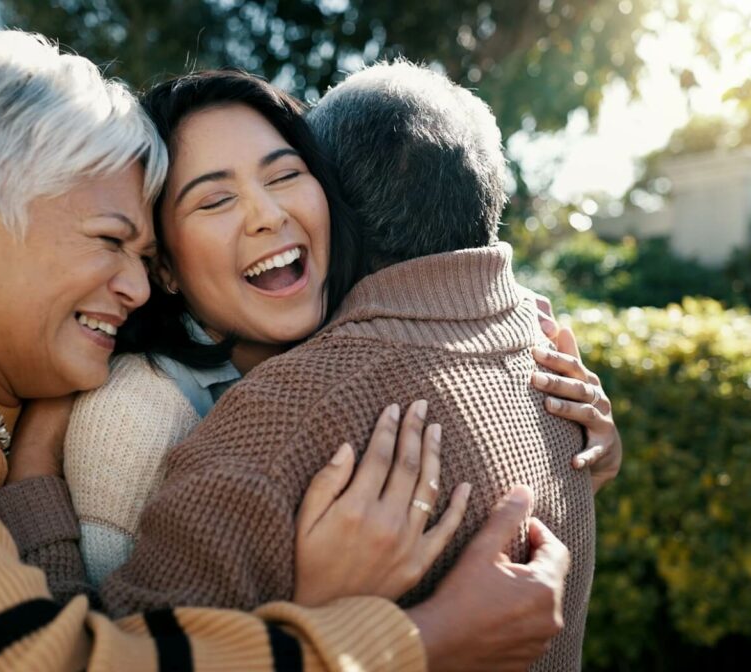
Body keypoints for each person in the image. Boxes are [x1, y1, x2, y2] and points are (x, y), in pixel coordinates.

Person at [0, 31, 570, 672]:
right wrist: (410, 637)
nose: (136, 287)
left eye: (143, 252)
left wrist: (528, 363)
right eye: (109, 242)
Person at [50, 62, 617, 672]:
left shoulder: (411, 361)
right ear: (163, 266)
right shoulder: (136, 418)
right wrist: (318, 608)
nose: (266, 215)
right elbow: (89, 653)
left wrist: (586, 451)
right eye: (215, 198)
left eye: (287, 174)